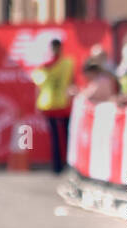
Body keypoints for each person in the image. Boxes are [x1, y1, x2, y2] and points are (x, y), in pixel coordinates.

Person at [33, 38, 74, 174]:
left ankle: (65, 164)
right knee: (56, 137)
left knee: (65, 136)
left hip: (61, 104)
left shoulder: (65, 63)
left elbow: (72, 81)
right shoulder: (46, 66)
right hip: (51, 104)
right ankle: (57, 165)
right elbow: (38, 86)